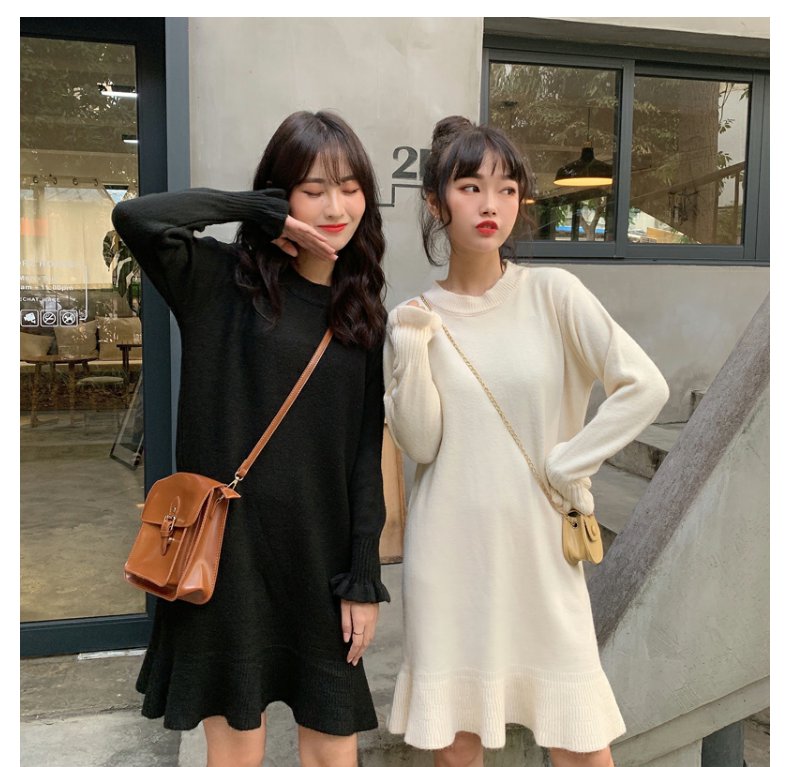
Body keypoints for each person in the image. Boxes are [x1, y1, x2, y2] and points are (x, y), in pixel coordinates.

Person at [383, 116, 670, 767]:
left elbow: (643, 386)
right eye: (471, 187)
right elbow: (420, 445)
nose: (491, 204)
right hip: (449, 554)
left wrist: (571, 462)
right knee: (456, 747)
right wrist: (411, 347)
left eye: (507, 189)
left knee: (581, 743)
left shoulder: (553, 293)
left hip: (541, 549)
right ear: (436, 202)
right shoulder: (413, 320)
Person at [112, 110, 391, 767]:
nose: (335, 207)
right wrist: (252, 209)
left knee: (334, 750)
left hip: (321, 561)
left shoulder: (363, 314)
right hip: (226, 560)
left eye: (350, 188)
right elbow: (138, 217)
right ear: (281, 195)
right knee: (237, 749)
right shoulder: (219, 282)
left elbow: (364, 453)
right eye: (313, 189)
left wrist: (362, 576)